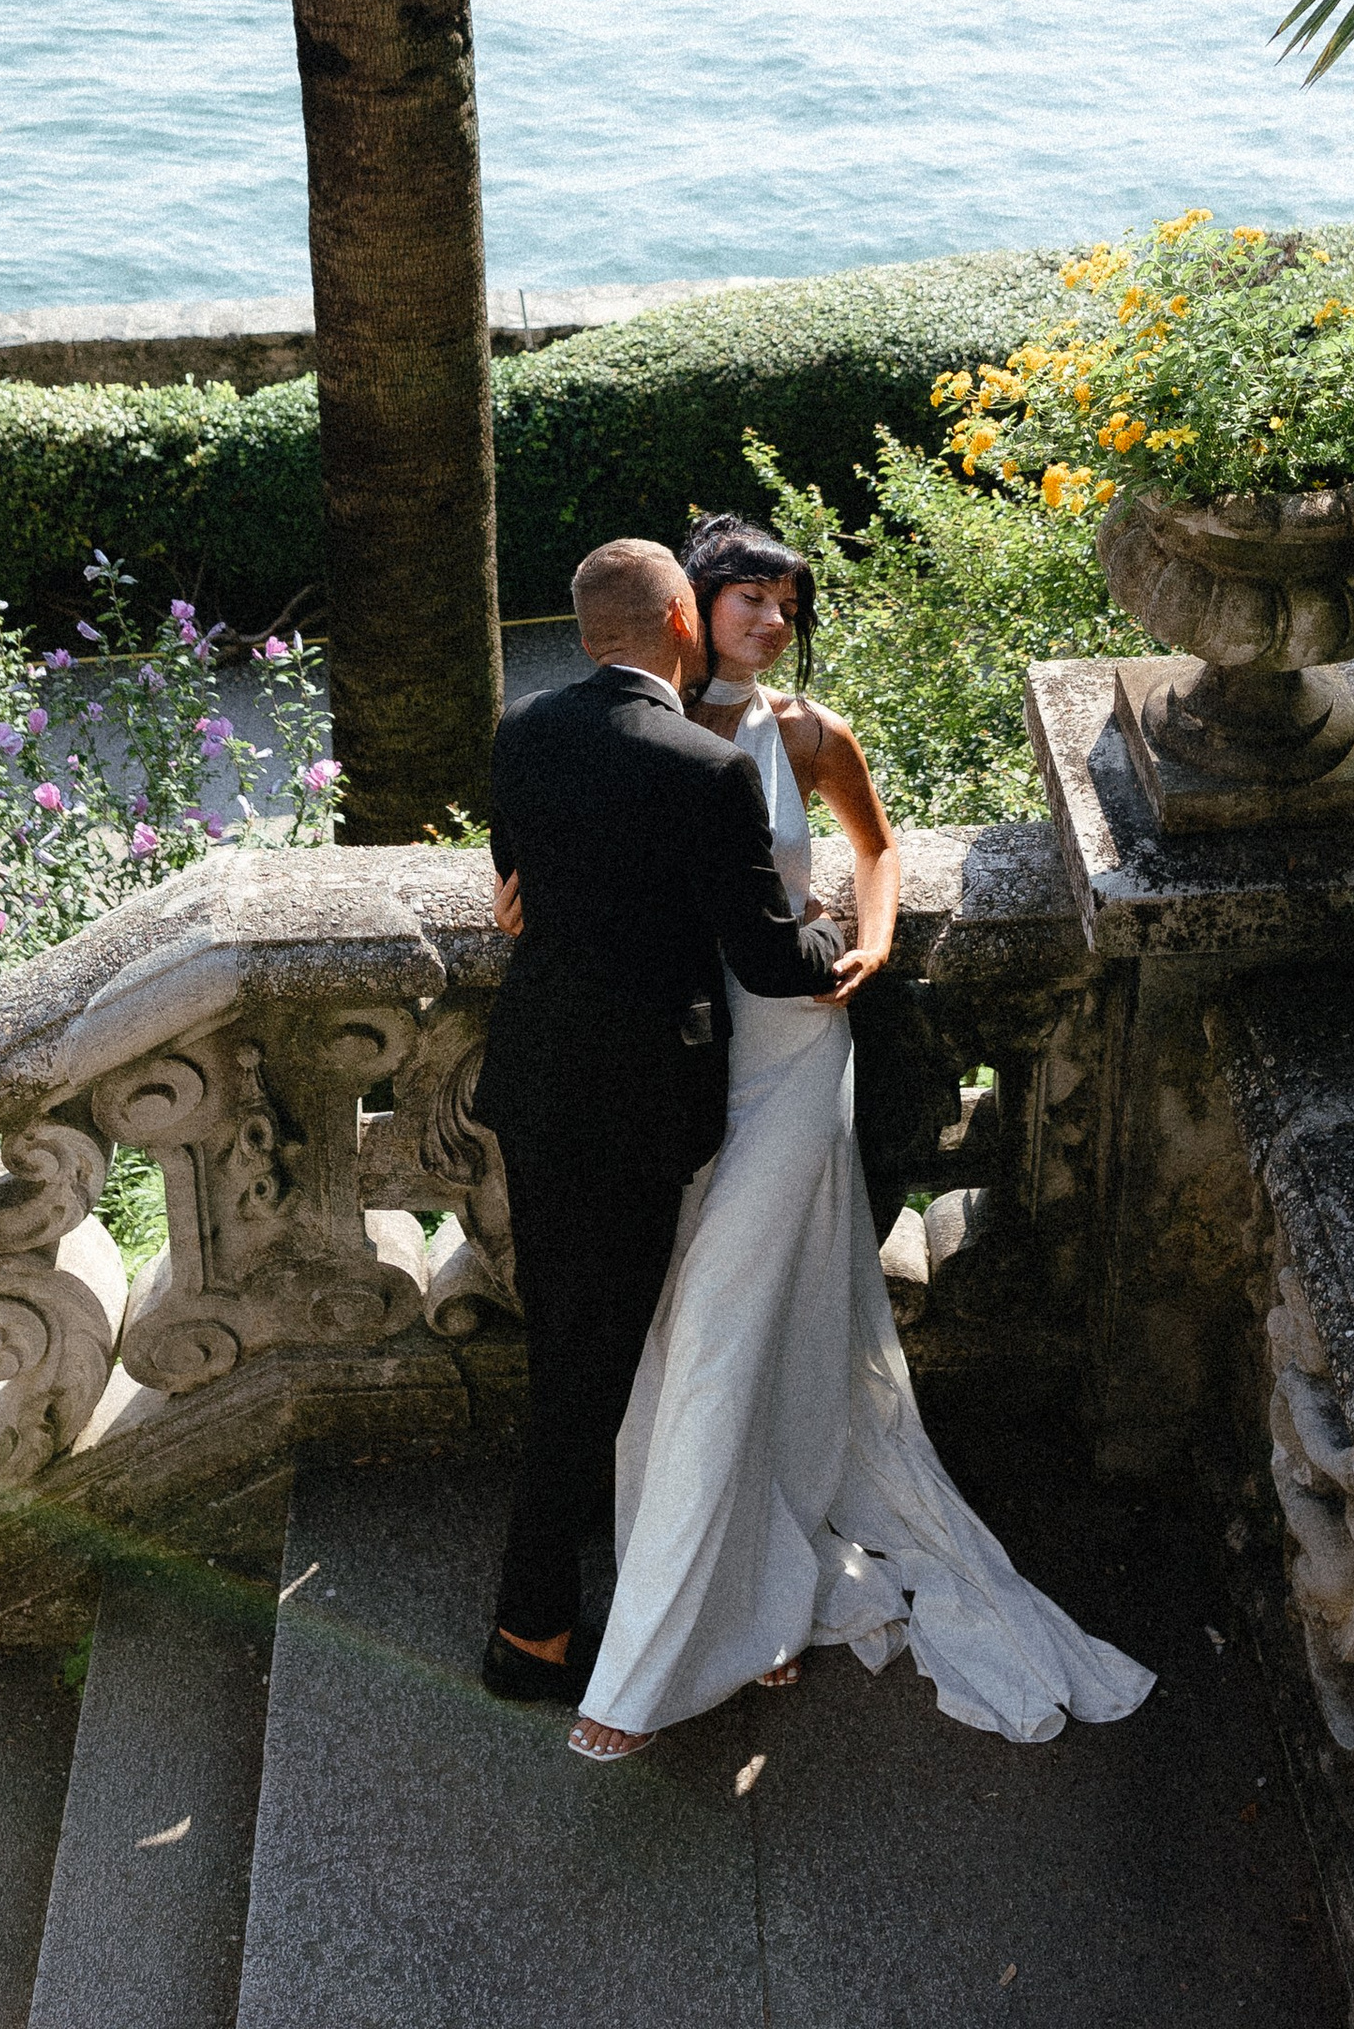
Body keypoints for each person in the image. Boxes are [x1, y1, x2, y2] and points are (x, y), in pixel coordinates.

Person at [553, 511, 1157, 1761]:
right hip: (674, 1067)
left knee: (719, 1318)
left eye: (788, 605)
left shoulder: (807, 733)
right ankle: (763, 1587)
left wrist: (875, 939)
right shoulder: (632, 734)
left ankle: (639, 1675)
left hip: (790, 1059)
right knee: (699, 1320)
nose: (772, 624)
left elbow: (874, 849)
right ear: (689, 609)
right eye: (749, 601)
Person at [470, 534, 849, 1709]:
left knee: (564, 1335)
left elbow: (517, 882)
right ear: (683, 620)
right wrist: (833, 932)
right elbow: (770, 963)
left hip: (534, 1083)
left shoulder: (521, 729)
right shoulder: (705, 770)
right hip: (633, 1105)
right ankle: (528, 1633)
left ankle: (588, 1523)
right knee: (589, 1361)